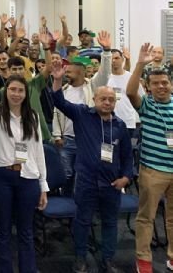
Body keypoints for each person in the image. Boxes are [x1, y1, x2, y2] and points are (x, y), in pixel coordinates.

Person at [50, 62, 132, 273]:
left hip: (111, 184)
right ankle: (80, 257)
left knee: (110, 223)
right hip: (86, 182)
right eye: (103, 99)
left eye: (111, 100)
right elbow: (58, 101)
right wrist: (58, 79)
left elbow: (127, 156)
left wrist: (126, 178)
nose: (107, 102)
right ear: (94, 100)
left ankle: (108, 260)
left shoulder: (120, 126)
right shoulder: (82, 115)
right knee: (83, 221)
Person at [0, 64, 48, 273]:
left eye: (20, 90)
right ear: (5, 91)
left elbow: (38, 152)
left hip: (28, 178)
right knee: (4, 232)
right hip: (2, 177)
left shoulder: (32, 117)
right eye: (12, 89)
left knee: (26, 231)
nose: (16, 94)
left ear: (26, 93)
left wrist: (43, 185)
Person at [126, 43, 173, 273]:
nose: (161, 86)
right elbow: (130, 92)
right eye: (156, 83)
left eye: (165, 82)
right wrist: (140, 64)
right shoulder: (146, 105)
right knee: (146, 218)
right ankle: (143, 259)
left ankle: (172, 256)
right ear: (149, 86)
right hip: (153, 170)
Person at [52, 31, 112, 195]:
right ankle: (67, 210)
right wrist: (57, 135)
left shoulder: (92, 87)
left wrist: (106, 52)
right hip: (67, 141)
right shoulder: (63, 90)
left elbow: (105, 73)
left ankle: (82, 208)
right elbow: (57, 113)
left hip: (87, 141)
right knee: (67, 176)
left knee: (84, 176)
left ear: (80, 72)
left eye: (69, 71)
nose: (66, 74)